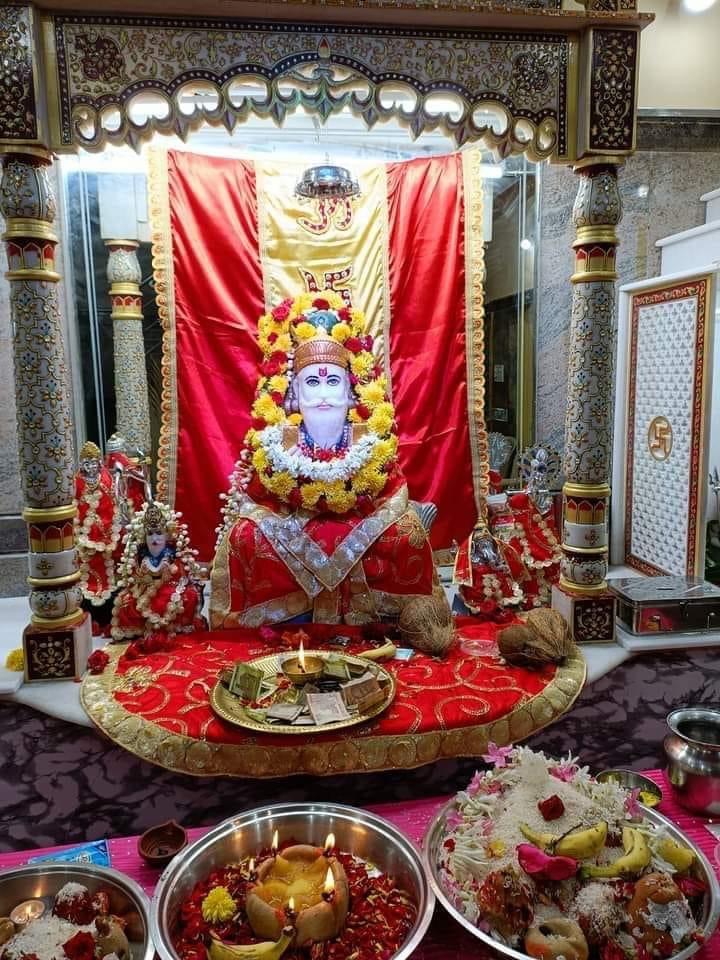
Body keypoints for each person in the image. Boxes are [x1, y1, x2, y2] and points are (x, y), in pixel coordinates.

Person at [210, 291, 453, 655]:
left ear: (351, 392)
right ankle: (288, 620)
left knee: (406, 533)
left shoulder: (368, 440)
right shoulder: (279, 441)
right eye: (312, 382)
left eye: (332, 381)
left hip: (361, 512)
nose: (323, 392)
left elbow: (390, 490)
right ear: (294, 393)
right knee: (244, 536)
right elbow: (262, 496)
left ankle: (385, 618)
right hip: (292, 514)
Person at [455, 454, 562, 616]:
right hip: (518, 537)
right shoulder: (483, 542)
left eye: (542, 471)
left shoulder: (539, 496)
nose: (540, 476)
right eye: (538, 471)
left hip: (533, 535)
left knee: (535, 568)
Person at [111, 500, 206, 642]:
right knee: (126, 602)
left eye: (159, 533)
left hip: (170, 587)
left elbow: (181, 577)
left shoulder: (173, 554)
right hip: (144, 589)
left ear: (167, 536)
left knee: (188, 597)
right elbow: (134, 578)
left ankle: (173, 628)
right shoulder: (140, 555)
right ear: (144, 537)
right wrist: (142, 574)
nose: (154, 539)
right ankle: (140, 630)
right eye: (150, 534)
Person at [74, 440, 121, 608]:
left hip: (105, 530)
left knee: (109, 560)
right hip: (83, 532)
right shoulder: (77, 481)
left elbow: (111, 502)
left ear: (99, 463)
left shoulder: (106, 478)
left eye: (94, 463)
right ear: (82, 465)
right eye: (87, 463)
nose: (91, 467)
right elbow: (75, 504)